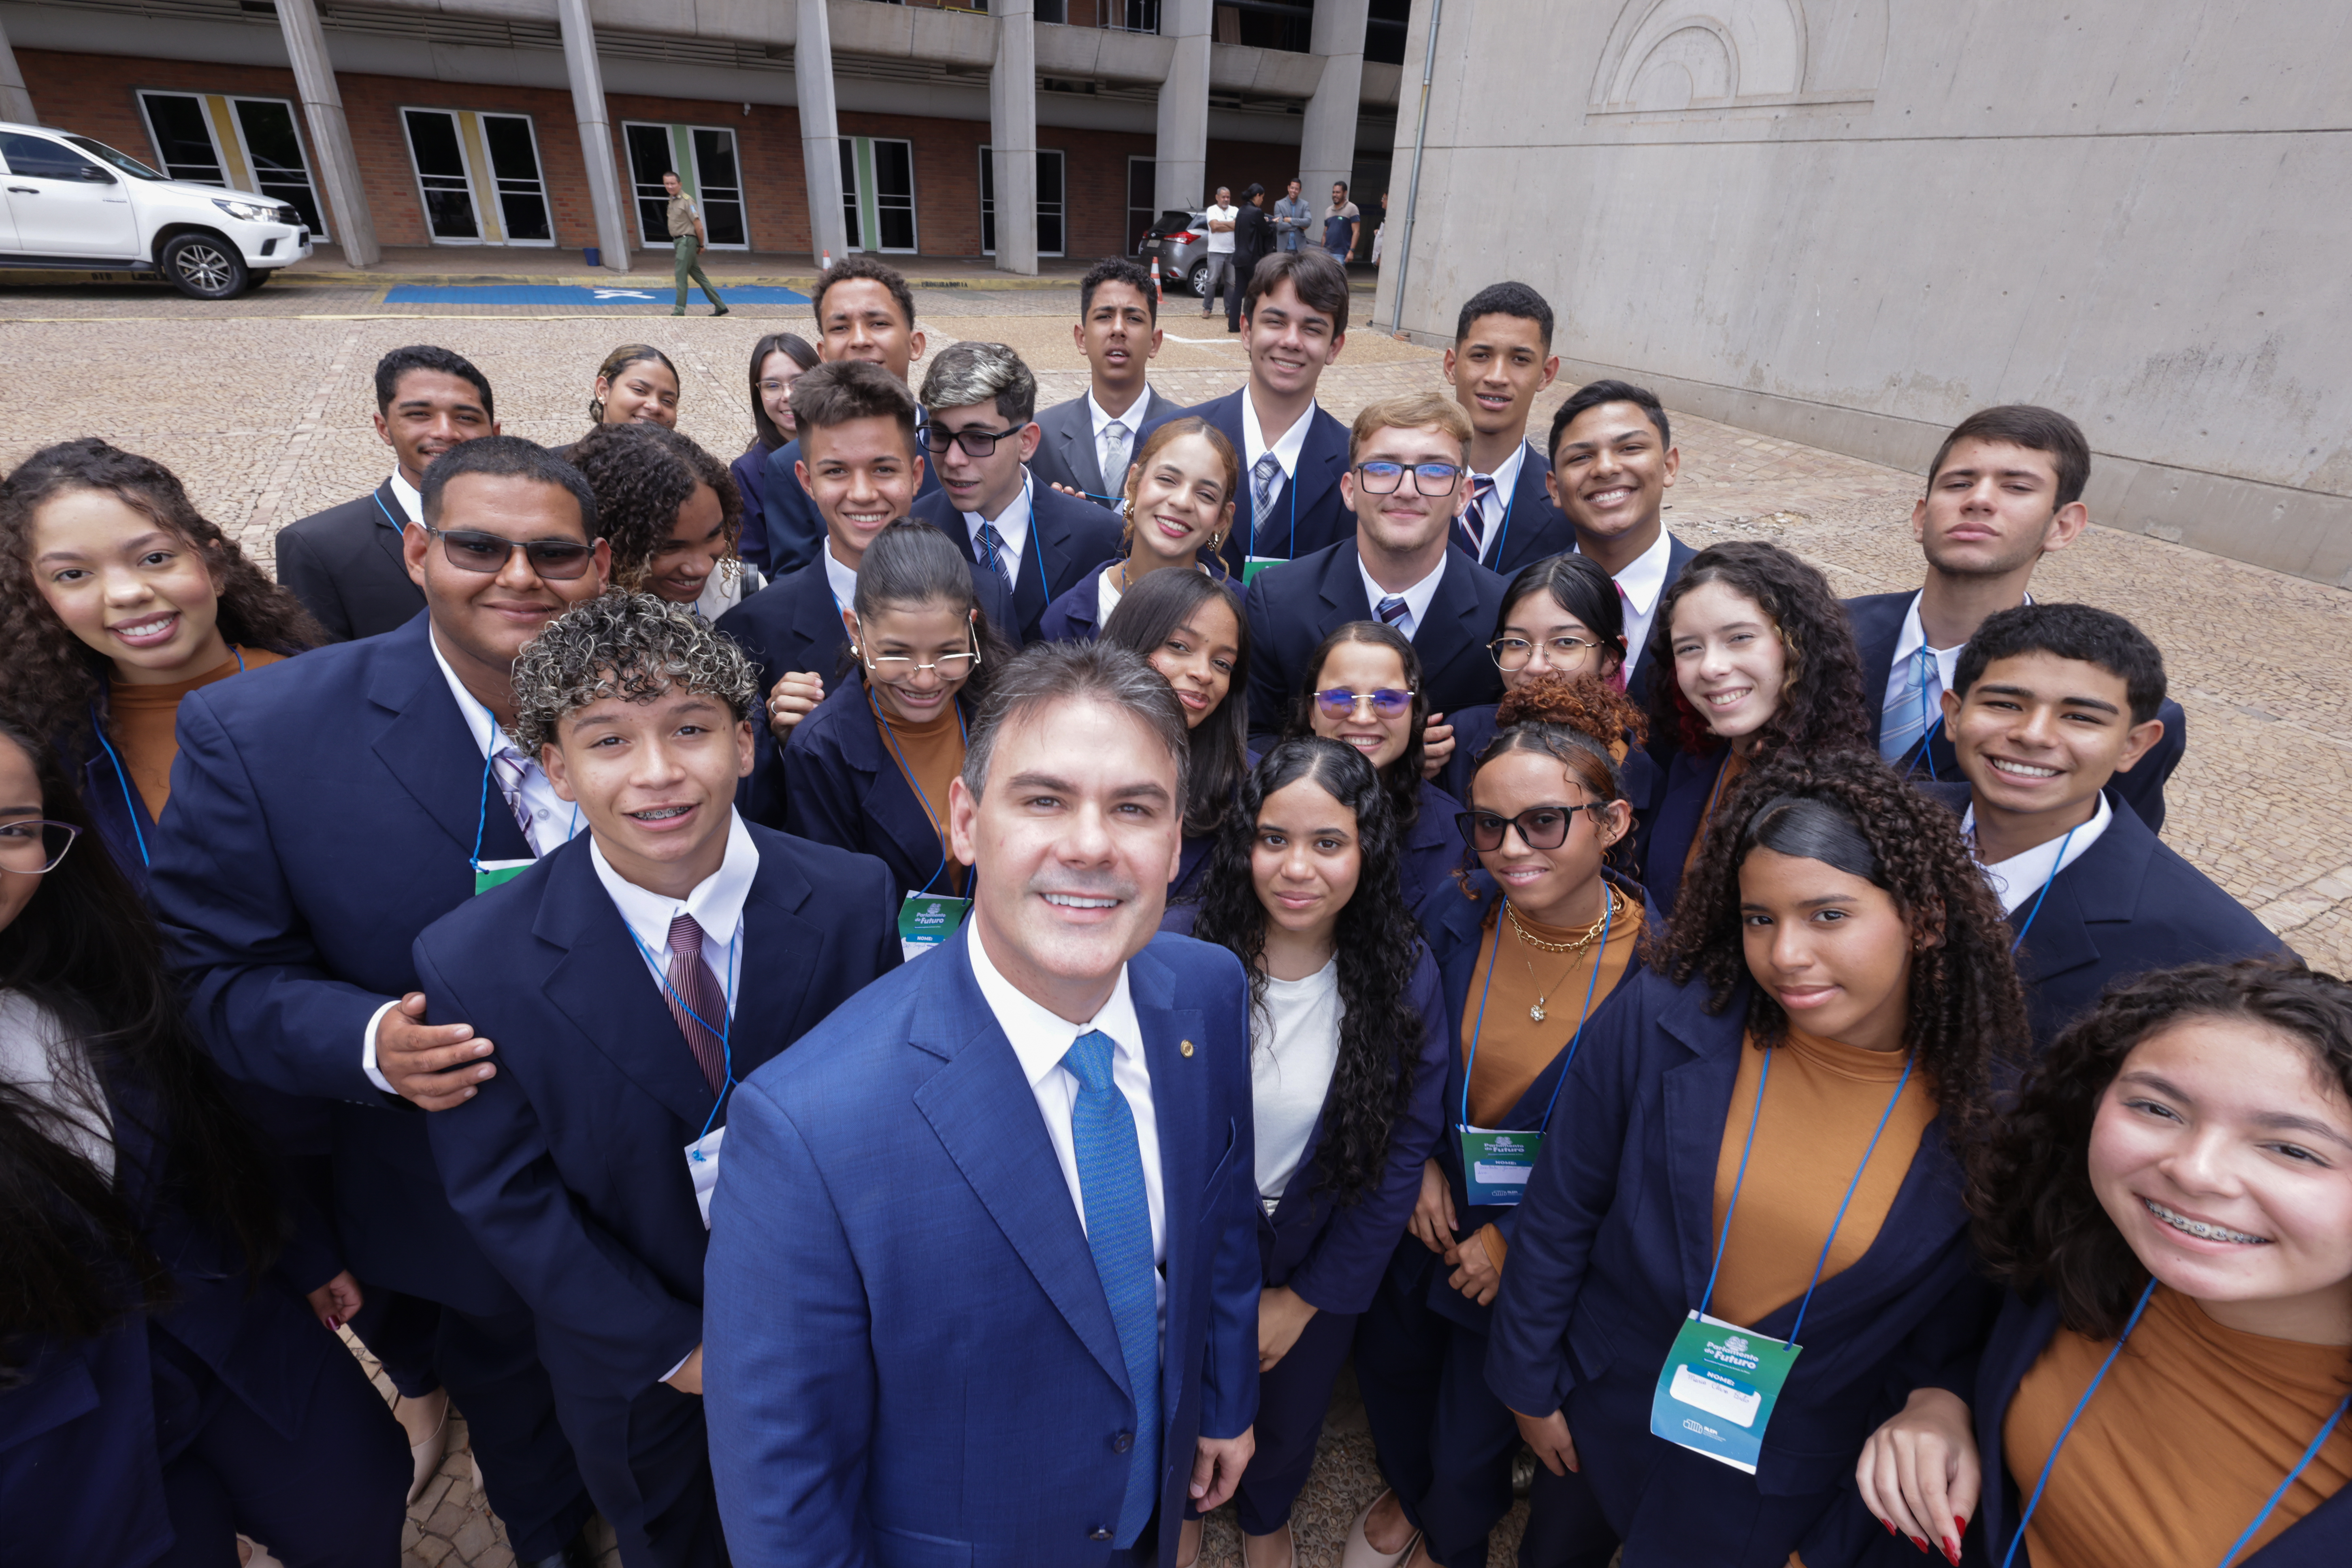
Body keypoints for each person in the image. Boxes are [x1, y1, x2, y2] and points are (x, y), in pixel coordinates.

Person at [149, 435, 614, 1568]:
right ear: (416, 551)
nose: (518, 577)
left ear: (600, 566)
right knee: (523, 1419)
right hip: (455, 1194)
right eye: (478, 545)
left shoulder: (661, 699)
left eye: (552, 553)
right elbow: (211, 981)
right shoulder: (262, 737)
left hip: (654, 1176)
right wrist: (365, 1042)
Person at [704, 641, 1262, 1565]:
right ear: (965, 822)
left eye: (1132, 808)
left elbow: (1223, 1228)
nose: (1088, 844)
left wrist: (1220, 1402)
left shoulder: (1204, 989)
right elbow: (783, 1486)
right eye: (1041, 800)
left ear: (1174, 844)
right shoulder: (807, 1127)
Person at [418, 594, 896, 1568]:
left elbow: (890, 1121)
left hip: (837, 1329)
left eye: (690, 729)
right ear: (555, 767)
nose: (658, 774)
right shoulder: (476, 959)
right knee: (677, 1538)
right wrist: (678, 1352)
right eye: (607, 741)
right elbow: (507, 1195)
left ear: (747, 743)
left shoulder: (851, 899)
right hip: (639, 1366)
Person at [1486, 749, 2030, 1568]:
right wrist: (1528, 1385)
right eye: (1759, 918)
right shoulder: (1663, 1018)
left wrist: (1939, 1395)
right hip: (1599, 1406)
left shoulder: (1993, 1115)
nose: (1786, 956)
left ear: (1924, 917)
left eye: (1829, 915)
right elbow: (1565, 1205)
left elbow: (1956, 1316)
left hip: (1780, 1473)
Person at [0, 717, 409, 1568]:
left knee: (360, 1501)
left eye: (11, 828)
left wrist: (296, 1247)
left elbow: (204, 1118)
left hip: (227, 1328)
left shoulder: (84, 959)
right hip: (53, 1436)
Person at [1857, 959, 2352, 1568]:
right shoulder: (2084, 1245)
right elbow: (1974, 1328)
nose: (2194, 1172)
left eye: (2291, 1149)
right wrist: (1938, 1398)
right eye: (2158, 1110)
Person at [1349, 673, 1656, 1568]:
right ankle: (1425, 1505)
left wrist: (1518, 1235)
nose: (1511, 848)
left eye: (1543, 821)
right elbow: (1398, 1046)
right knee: (1399, 1380)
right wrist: (1420, 1167)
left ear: (1613, 822)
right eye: (1489, 824)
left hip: (1549, 1261)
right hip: (1428, 1218)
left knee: (1474, 1429)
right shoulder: (1455, 911)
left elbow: (1648, 1159)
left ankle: (1459, 1524)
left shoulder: (1667, 977)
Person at [1187, 738, 1451, 1568]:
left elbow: (1403, 1147)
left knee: (1294, 1409)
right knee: (1180, 1398)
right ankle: (1184, 1510)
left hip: (1318, 1248)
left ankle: (1266, 1516)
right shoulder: (1179, 954)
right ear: (1243, 843)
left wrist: (1307, 1297)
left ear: (1367, 851)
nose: (1297, 867)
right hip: (1191, 1250)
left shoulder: (1404, 973)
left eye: (1327, 843)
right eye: (1274, 839)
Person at [1922, 602, 2284, 1047]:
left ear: (2135, 744)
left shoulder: (2223, 951)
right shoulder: (1866, 828)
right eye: (2004, 703)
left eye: (2080, 717)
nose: (2034, 734)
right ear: (1955, 715)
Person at [0, 438, 319, 891]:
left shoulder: (340, 697)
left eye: (154, 558)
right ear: (39, 599)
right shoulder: (44, 748)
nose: (126, 593)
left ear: (214, 565)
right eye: (73, 574)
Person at [1848, 404, 2185, 829]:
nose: (1979, 500)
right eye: (1959, 483)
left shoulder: (2123, 712)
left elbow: (2106, 852)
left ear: (2062, 525)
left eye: (2017, 487)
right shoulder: (1812, 633)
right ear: (1921, 516)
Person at [712, 362, 1014, 826]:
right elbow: (748, 816)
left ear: (916, 474)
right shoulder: (751, 630)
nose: (863, 493)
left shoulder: (986, 591)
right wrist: (774, 738)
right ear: (807, 480)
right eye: (836, 471)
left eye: (883, 469)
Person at [1243, 390, 1506, 746]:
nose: (1407, 490)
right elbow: (1253, 737)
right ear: (1350, 491)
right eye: (1383, 468)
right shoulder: (1278, 601)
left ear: (1463, 495)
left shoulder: (1501, 614)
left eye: (1434, 471)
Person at [781, 520, 1012, 906]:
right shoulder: (821, 752)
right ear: (856, 631)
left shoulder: (1005, 714)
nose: (924, 681)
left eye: (946, 653)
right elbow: (836, 901)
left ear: (970, 629)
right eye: (897, 654)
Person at [1640, 539, 1871, 920]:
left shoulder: (1841, 798)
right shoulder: (1694, 764)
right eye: (1689, 648)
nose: (1712, 667)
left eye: (1740, 638)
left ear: (1799, 646)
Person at [1144, 248, 1355, 579]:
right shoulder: (1169, 440)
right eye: (1275, 322)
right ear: (1246, 330)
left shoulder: (1356, 466)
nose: (1291, 341)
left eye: (1312, 329)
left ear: (1335, 347)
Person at [275, 344, 496, 641]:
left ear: (494, 433)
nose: (445, 432)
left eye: (466, 418)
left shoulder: (542, 527)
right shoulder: (318, 547)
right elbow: (318, 669)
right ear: (384, 428)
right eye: (420, 414)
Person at [908, 341, 1125, 643]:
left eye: (978, 438)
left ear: (1026, 442)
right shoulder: (909, 535)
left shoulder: (1100, 538)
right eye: (940, 435)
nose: (953, 460)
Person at [1431, 553, 1655, 816]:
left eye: (1566, 642)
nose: (1536, 666)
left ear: (1611, 658)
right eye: (1516, 642)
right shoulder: (1457, 744)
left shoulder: (1637, 773)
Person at [757, 255, 942, 575]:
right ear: (824, 352)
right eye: (841, 327)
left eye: (878, 323)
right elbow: (797, 583)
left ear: (915, 344)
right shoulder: (788, 466)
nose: (859, 340)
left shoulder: (956, 450)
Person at [1285, 622, 1468, 932]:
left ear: (1416, 712)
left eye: (1388, 700)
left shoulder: (1458, 834)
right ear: (1312, 712)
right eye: (1340, 698)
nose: (1363, 717)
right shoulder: (1259, 806)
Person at [1099, 569, 1251, 920]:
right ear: (1131, 641)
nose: (1204, 673)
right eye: (1180, 647)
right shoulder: (1053, 754)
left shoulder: (1248, 790)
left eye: (1222, 663)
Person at [1545, 380, 1698, 707]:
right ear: (1555, 487)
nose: (1605, 468)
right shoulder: (1512, 596)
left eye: (1630, 449)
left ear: (1669, 466)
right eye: (1581, 457)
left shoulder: (1723, 594)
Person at [1039, 416, 1238, 644]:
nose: (1182, 502)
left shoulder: (1243, 611)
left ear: (1222, 518)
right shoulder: (1066, 618)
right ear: (1133, 481)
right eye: (1167, 479)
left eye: (1206, 495)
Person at [1442, 284, 1574, 574]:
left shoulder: (1568, 504)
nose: (1497, 377)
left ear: (1546, 374)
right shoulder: (1392, 480)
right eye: (1481, 356)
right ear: (1452, 366)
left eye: (1520, 360)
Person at [571, 422, 764, 620]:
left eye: (714, 535)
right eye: (670, 548)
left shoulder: (744, 595)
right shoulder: (564, 612)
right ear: (610, 542)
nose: (703, 567)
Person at [1030, 258, 1179, 510]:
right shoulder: (1042, 437)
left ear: (1155, 342)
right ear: (1081, 338)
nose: (1118, 329)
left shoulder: (1185, 434)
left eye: (1133, 318)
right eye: (1104, 316)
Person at [732, 331, 817, 573]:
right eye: (772, 385)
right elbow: (752, 569)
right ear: (758, 394)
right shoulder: (746, 473)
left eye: (800, 382)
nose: (788, 396)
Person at [662, 170, 728, 317]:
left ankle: (679, 311)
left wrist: (701, 245)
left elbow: (698, 225)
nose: (670, 186)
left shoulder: (687, 201)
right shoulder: (672, 200)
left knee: (681, 276)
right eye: (667, 184)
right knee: (699, 276)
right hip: (680, 242)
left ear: (680, 184)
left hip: (687, 241)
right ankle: (721, 306)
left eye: (673, 183)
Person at [586, 343, 681, 432]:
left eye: (668, 401)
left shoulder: (689, 451)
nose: (655, 407)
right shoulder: (575, 451)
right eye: (639, 390)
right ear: (603, 390)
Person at [1228, 185, 1275, 336]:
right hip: (1252, 258)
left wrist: (1264, 220)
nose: (1262, 200)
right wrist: (1271, 222)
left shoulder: (1241, 211)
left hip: (1239, 257)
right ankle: (1256, 323)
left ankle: (1234, 325)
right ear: (1258, 196)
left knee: (1238, 292)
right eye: (1262, 197)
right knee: (1258, 292)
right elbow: (1266, 231)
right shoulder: (1256, 212)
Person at [1201, 185, 1240, 321]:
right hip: (1215, 251)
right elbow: (1214, 227)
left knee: (1232, 283)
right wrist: (1231, 224)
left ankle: (1229, 310)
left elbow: (1237, 226)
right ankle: (1207, 309)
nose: (1226, 199)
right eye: (1223, 197)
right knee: (1211, 281)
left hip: (1232, 252)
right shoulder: (1212, 210)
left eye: (1228, 197)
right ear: (1217, 198)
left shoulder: (1236, 210)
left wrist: (1222, 224)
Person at [1323, 181, 1361, 263]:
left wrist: (1352, 251)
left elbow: (1356, 232)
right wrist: (1321, 252)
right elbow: (1325, 234)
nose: (1335, 195)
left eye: (1338, 192)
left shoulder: (1352, 208)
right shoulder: (1328, 211)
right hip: (1326, 253)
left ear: (1345, 193)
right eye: (1333, 192)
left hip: (1340, 254)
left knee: (1338, 276)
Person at [1273, 178, 1310, 254]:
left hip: (1299, 249)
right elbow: (1280, 226)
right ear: (1288, 188)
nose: (1294, 191)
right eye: (1292, 188)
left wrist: (1290, 220)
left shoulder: (1305, 205)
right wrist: (1299, 226)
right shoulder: (1279, 204)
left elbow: (1308, 222)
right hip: (1283, 248)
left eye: (1297, 189)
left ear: (1300, 191)